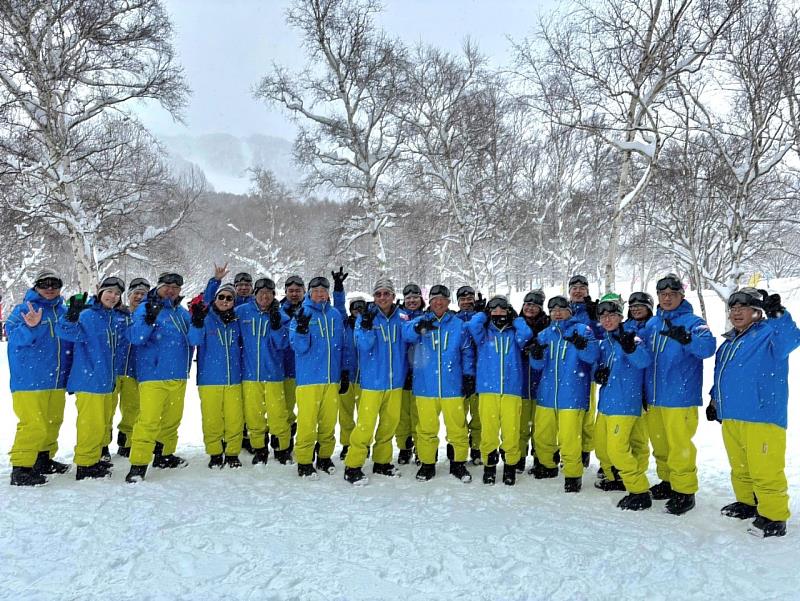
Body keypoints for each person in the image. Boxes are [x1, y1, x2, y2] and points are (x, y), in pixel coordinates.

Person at [708, 288, 800, 537]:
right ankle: (747, 502)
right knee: (740, 466)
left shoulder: (769, 333)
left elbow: (792, 338)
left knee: (765, 468)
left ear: (756, 311)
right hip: (733, 416)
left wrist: (778, 315)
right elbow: (722, 376)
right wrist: (715, 400)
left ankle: (774, 516)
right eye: (733, 308)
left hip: (762, 416)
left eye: (743, 308)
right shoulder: (728, 343)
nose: (736, 312)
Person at [641, 273, 715, 514]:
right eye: (663, 295)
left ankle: (684, 490)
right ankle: (668, 481)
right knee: (660, 444)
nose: (667, 298)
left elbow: (707, 348)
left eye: (672, 294)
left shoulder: (694, 322)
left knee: (679, 445)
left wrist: (687, 339)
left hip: (680, 396)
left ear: (681, 296)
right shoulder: (652, 324)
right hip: (654, 396)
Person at [57, 277, 128, 480]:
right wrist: (71, 316)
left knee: (101, 424)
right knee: (90, 424)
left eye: (116, 294)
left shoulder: (113, 317)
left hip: (106, 380)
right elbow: (66, 332)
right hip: (89, 379)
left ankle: (94, 459)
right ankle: (85, 465)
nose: (113, 297)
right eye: (109, 292)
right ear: (100, 292)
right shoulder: (88, 315)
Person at [403, 284, 475, 483]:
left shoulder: (458, 324)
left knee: (457, 427)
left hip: (452, 385)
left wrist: (469, 375)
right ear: (430, 302)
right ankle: (427, 464)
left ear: (448, 301)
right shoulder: (421, 321)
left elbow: (467, 351)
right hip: (426, 386)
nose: (438, 302)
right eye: (434, 299)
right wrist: (417, 328)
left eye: (442, 299)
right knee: (426, 428)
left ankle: (458, 463)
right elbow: (405, 334)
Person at [7, 269, 73, 486]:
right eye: (45, 284)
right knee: (33, 424)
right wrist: (30, 326)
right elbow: (14, 338)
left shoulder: (64, 311)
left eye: (55, 284)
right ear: (36, 287)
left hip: (56, 380)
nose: (50, 288)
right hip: (29, 380)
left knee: (53, 422)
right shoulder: (23, 310)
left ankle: (43, 459)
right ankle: (22, 468)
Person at [125, 272, 192, 483]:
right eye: (167, 286)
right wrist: (149, 320)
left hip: (178, 374)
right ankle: (138, 464)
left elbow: (193, 338)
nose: (171, 291)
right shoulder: (145, 308)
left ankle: (164, 455)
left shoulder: (182, 313)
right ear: (159, 287)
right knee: (148, 421)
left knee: (172, 420)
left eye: (175, 288)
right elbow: (136, 338)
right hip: (153, 375)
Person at [528, 295, 599, 493]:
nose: (557, 313)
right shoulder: (544, 334)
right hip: (547, 394)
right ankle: (548, 466)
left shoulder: (582, 330)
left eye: (562, 308)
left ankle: (573, 474)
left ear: (570, 310)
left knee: (569, 439)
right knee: (543, 435)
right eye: (553, 310)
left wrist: (582, 345)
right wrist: (536, 355)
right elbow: (537, 366)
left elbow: (592, 357)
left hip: (572, 394)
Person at [343, 278, 408, 484]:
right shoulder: (365, 318)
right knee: (365, 426)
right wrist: (368, 326)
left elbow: (411, 339)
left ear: (393, 296)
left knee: (389, 424)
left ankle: (382, 461)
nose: (382, 297)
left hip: (395, 382)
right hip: (372, 382)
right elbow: (363, 345)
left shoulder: (402, 317)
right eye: (378, 294)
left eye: (386, 293)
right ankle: (353, 465)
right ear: (374, 297)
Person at [591, 293, 652, 510]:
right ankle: (617, 479)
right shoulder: (605, 343)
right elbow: (596, 368)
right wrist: (597, 374)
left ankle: (639, 490)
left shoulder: (631, 336)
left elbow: (644, 361)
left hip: (625, 404)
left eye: (612, 315)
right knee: (602, 448)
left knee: (618, 450)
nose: (607, 320)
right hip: (607, 404)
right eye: (603, 316)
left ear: (620, 316)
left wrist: (631, 348)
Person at [466, 296, 532, 486]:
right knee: (489, 431)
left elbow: (526, 335)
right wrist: (482, 314)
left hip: (512, 390)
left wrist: (516, 318)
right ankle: (489, 466)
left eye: (502, 308)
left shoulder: (514, 333)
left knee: (511, 432)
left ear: (508, 310)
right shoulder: (485, 333)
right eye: (492, 309)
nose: (497, 311)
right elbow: (472, 326)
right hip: (488, 390)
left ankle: (510, 466)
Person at [289, 276, 347, 479]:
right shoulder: (301, 314)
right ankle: (304, 460)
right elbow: (298, 347)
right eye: (316, 290)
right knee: (307, 422)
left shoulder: (334, 315)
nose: (320, 294)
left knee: (328, 422)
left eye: (324, 290)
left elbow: (343, 343)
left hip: (331, 378)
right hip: (309, 379)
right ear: (309, 292)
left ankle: (324, 456)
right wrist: (302, 330)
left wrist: (345, 371)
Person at [236, 277, 293, 465]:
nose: (265, 297)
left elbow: (284, 344)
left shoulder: (282, 315)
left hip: (274, 374)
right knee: (254, 415)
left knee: (278, 414)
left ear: (273, 295)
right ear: (255, 294)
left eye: (268, 294)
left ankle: (282, 449)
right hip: (250, 374)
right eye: (261, 294)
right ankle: (259, 449)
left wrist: (277, 327)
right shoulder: (242, 312)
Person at [188, 283, 246, 469]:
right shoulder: (206, 318)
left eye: (229, 298)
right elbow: (194, 340)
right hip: (209, 379)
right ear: (215, 299)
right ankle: (214, 452)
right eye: (221, 297)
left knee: (234, 419)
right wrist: (197, 322)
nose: (224, 301)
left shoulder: (237, 321)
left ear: (233, 302)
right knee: (212, 419)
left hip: (234, 379)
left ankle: (232, 452)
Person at [112, 277, 150, 458]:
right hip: (113, 369)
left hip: (135, 370)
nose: (140, 297)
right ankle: (102, 445)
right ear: (129, 296)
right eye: (136, 293)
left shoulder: (145, 317)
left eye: (144, 294)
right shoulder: (118, 314)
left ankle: (126, 441)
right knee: (105, 411)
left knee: (132, 410)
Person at [567, 274, 600, 469]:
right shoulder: (563, 309)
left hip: (587, 371)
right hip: (566, 370)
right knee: (568, 414)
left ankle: (585, 449)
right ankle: (568, 448)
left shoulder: (593, 311)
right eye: (574, 288)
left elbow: (602, 335)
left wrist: (595, 317)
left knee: (587, 413)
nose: (578, 291)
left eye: (582, 287)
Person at [517, 290, 550, 474]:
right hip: (520, 383)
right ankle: (519, 457)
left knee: (541, 427)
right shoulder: (515, 324)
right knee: (521, 426)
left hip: (542, 383)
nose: (530, 308)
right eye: (527, 304)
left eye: (534, 305)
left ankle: (541, 457)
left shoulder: (547, 325)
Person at [455, 285, 484, 465]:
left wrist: (483, 314)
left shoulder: (481, 318)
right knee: (458, 415)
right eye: (462, 299)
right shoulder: (454, 319)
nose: (466, 302)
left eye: (469, 299)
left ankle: (477, 447)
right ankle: (458, 447)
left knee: (478, 414)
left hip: (481, 373)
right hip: (458, 373)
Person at [396, 283, 425, 464]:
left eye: (415, 297)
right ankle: (404, 447)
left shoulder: (426, 316)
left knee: (419, 414)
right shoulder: (398, 317)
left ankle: (421, 448)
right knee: (402, 414)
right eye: (408, 298)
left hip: (421, 372)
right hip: (401, 370)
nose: (412, 301)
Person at [280, 274, 306, 448]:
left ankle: (306, 443)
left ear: (304, 291)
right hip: (286, 367)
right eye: (291, 291)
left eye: (298, 291)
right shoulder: (277, 310)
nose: (294, 294)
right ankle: (286, 440)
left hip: (307, 369)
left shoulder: (311, 309)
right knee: (286, 408)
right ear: (285, 292)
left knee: (307, 411)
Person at [339, 296, 365, 460]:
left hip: (364, 377)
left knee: (364, 415)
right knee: (345, 414)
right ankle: (347, 443)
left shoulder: (368, 324)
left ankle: (362, 443)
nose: (358, 310)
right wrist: (339, 290)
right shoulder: (344, 324)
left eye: (361, 307)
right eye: (355, 307)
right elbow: (339, 307)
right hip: (347, 376)